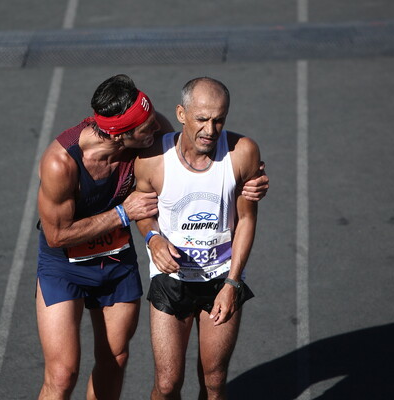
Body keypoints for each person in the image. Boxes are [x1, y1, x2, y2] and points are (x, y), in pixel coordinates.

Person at [36, 74, 268, 400]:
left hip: (116, 262)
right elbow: (56, 235)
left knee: (115, 359)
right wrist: (122, 214)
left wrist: (252, 179)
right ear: (120, 135)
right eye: (145, 127)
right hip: (66, 265)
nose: (157, 128)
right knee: (62, 375)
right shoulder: (61, 163)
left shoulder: (149, 132)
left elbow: (199, 151)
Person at [135, 77, 261, 400]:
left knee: (214, 382)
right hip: (172, 278)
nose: (210, 129)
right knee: (166, 385)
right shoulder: (153, 160)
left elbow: (246, 220)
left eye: (219, 120)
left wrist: (233, 284)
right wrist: (152, 238)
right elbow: (142, 210)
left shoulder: (242, 153)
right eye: (202, 119)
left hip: (221, 277)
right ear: (181, 113)